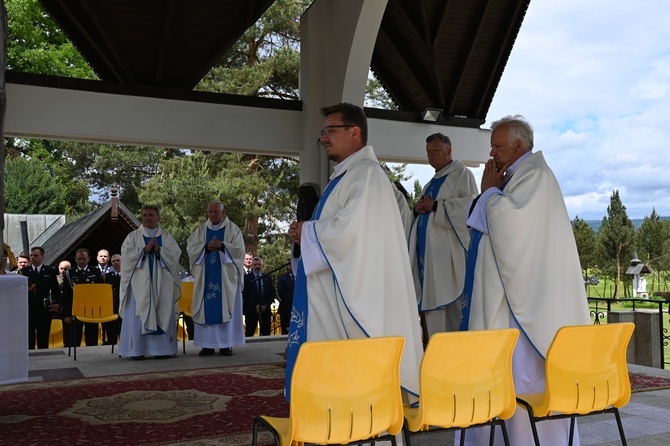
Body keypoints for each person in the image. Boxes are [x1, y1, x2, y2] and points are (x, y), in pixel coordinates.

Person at [459, 115, 590, 445]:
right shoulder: (518, 176)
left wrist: (488, 191)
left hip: (527, 310)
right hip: (516, 300)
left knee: (524, 385)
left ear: (518, 145)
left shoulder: (533, 175)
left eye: (497, 146)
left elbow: (510, 226)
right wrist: (492, 192)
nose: (492, 154)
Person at [286, 102, 423, 401]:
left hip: (359, 298)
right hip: (341, 292)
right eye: (323, 132)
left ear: (354, 132)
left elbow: (350, 234)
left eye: (330, 131)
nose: (324, 138)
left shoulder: (366, 175)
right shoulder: (349, 176)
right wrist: (308, 230)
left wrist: (307, 231)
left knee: (358, 389)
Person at [408, 132, 477, 340]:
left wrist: (436, 206)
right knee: (432, 313)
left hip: (449, 261)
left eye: (436, 151)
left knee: (453, 312)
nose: (431, 155)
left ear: (449, 151)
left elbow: (471, 207)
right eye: (428, 152)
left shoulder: (462, 175)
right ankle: (434, 350)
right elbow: (426, 211)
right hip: (429, 261)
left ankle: (455, 354)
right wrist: (418, 209)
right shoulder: (431, 183)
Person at [118, 205, 181, 360]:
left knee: (162, 310)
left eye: (151, 215)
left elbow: (175, 256)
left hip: (162, 285)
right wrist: (143, 251)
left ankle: (162, 350)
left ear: (158, 218)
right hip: (139, 287)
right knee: (138, 314)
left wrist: (160, 251)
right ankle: (137, 351)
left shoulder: (166, 237)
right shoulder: (133, 237)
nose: (147, 217)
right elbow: (126, 257)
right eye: (144, 215)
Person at [186, 200, 246, 356]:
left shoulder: (233, 230)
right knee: (207, 308)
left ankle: (226, 345)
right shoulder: (201, 230)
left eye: (216, 212)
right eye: (211, 212)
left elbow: (240, 250)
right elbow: (191, 247)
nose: (213, 215)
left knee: (225, 307)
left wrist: (222, 245)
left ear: (223, 212)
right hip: (206, 277)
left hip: (226, 279)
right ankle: (207, 345)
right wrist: (205, 247)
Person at [18, 246, 62, 349]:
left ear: (42, 256)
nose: (32, 257)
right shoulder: (24, 272)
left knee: (43, 340)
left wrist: (58, 304)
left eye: (35, 255)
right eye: (31, 255)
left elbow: (56, 290)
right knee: (29, 341)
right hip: (28, 310)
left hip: (44, 310)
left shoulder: (49, 271)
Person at [62, 249, 104, 347]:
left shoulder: (95, 271)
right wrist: (66, 314)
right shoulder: (69, 273)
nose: (81, 261)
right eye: (79, 259)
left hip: (91, 309)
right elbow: (66, 295)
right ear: (75, 259)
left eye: (84, 259)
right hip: (76, 309)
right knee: (74, 339)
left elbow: (101, 291)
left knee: (92, 338)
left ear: (88, 259)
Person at [242, 257, 275, 337]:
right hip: (251, 311)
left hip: (265, 311)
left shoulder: (267, 277)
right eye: (255, 265)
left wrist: (265, 305)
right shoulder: (246, 278)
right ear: (252, 266)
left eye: (259, 264)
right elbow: (245, 294)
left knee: (266, 333)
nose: (257, 266)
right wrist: (255, 306)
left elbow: (272, 293)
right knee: (250, 332)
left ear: (262, 265)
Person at [102, 254, 122, 345]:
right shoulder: (107, 277)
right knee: (111, 331)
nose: (116, 263)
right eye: (113, 261)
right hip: (111, 307)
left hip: (124, 305)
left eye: (118, 260)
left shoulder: (128, 275)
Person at [276, 262, 294, 335]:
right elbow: (281, 293)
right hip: (286, 308)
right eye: (290, 265)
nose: (291, 267)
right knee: (286, 330)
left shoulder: (301, 277)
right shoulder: (282, 278)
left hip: (299, 307)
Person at [56, 260, 71, 346]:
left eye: (66, 269)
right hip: (56, 308)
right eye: (61, 268)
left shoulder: (71, 278)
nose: (63, 271)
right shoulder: (54, 279)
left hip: (68, 308)